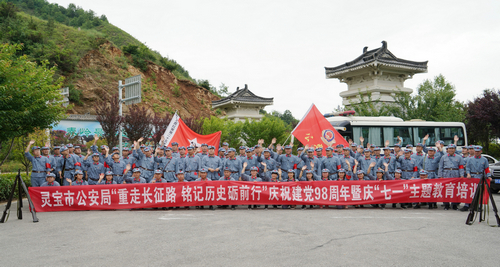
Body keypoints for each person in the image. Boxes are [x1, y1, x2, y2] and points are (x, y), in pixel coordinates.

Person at [461, 145, 491, 211]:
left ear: (481, 151)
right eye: (476, 151)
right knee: (469, 191)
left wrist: (488, 176)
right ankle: (467, 205)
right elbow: (467, 168)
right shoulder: (470, 159)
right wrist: (468, 174)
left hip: (480, 177)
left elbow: (487, 169)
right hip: (472, 177)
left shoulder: (484, 160)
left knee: (479, 192)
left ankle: (478, 206)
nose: (477, 153)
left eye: (478, 151)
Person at [438, 144, 465, 210]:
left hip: (455, 174)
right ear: (447, 149)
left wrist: (461, 175)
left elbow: (461, 167)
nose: (451, 150)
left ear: (455, 149)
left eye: (452, 148)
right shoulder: (443, 157)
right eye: (449, 148)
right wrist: (440, 176)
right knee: (446, 190)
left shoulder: (459, 157)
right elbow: (440, 167)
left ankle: (454, 205)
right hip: (446, 174)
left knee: (455, 190)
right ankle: (446, 205)